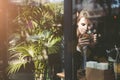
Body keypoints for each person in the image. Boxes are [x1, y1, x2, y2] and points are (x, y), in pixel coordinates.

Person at [73, 10, 99, 80]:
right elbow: (67, 62)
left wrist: (93, 46)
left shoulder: (91, 38)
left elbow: (97, 62)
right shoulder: (71, 38)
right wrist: (78, 47)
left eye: (89, 25)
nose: (86, 28)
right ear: (77, 23)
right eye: (83, 24)